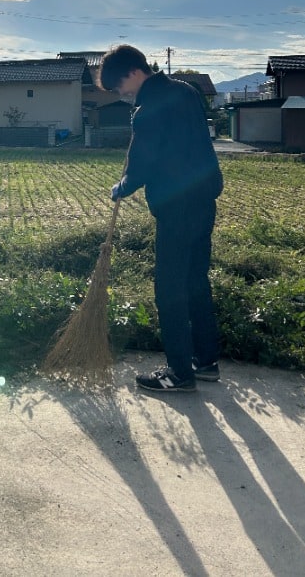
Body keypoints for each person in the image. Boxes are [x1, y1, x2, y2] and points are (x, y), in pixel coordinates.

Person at [98, 45, 223, 393]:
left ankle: (179, 373)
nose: (122, 94)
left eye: (119, 87)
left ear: (132, 73)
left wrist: (122, 186)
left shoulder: (148, 108)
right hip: (203, 199)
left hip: (176, 207)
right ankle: (205, 360)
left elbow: (142, 166)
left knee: (169, 288)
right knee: (196, 280)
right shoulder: (186, 90)